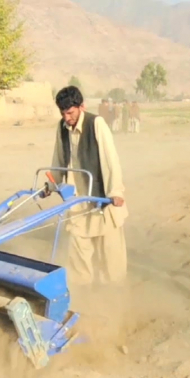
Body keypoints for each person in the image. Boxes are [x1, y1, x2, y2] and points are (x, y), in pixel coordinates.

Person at [46, 86, 128, 286]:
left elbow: (111, 160)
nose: (67, 118)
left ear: (81, 107)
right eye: (63, 113)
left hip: (102, 200)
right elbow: (58, 158)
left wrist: (115, 192)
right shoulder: (62, 128)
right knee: (78, 256)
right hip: (77, 203)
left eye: (70, 113)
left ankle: (115, 297)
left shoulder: (96, 124)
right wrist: (51, 184)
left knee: (110, 257)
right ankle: (82, 296)